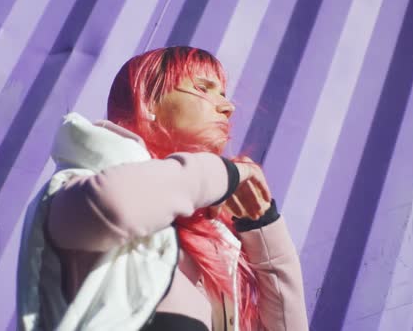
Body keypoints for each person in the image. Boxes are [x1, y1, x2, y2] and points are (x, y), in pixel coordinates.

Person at [16, 46, 308, 331]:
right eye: (204, 88)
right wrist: (232, 172)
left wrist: (263, 223)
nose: (227, 106)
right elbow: (116, 205)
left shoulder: (216, 245)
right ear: (149, 103)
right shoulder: (74, 187)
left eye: (222, 93)